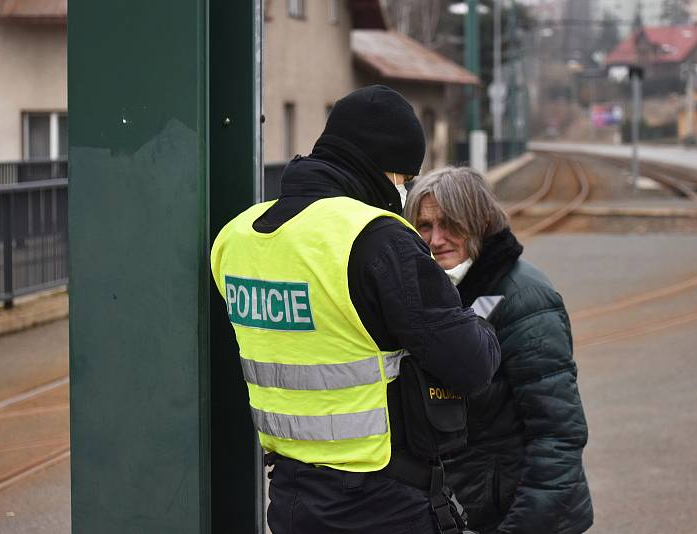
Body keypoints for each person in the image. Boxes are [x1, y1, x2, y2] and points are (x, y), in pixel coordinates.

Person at [211, 86, 501, 534]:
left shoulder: (236, 238)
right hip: (383, 503)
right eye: (404, 178)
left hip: (291, 498)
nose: (402, 190)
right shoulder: (378, 238)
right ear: (384, 169)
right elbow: (470, 364)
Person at [404, 167, 593, 534]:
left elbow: (557, 435)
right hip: (462, 511)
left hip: (514, 515)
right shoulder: (432, 292)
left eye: (450, 224)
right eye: (424, 226)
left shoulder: (523, 296)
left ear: (480, 223)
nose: (436, 239)